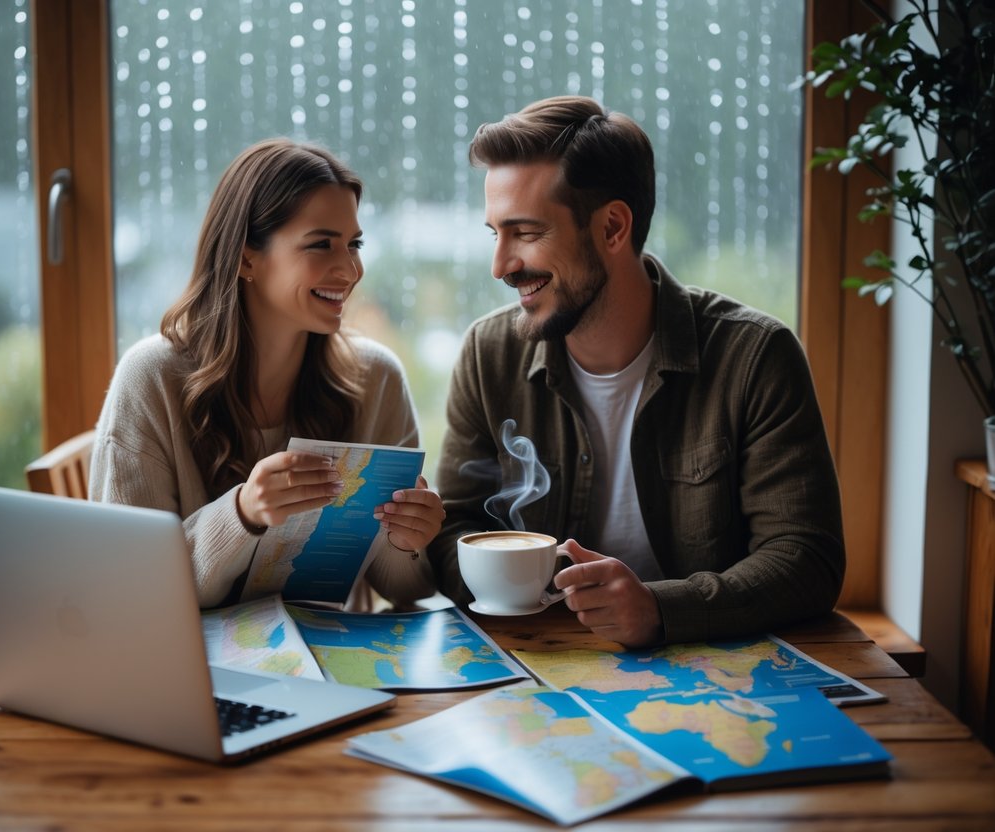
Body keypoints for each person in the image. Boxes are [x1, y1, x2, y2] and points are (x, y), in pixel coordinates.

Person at [430, 96, 845, 647]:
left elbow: (806, 558)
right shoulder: (489, 354)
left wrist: (659, 608)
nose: (500, 265)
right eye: (495, 233)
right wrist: (518, 587)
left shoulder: (755, 357)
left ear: (613, 228)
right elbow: (454, 529)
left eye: (525, 233)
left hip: (710, 673)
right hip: (537, 659)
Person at [90, 138, 441, 609]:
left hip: (333, 669)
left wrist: (408, 541)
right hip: (190, 672)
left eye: (354, 244)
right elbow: (129, 590)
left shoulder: (377, 379)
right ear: (245, 257)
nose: (350, 268)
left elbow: (405, 588)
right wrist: (242, 514)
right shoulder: (150, 379)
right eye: (321, 244)